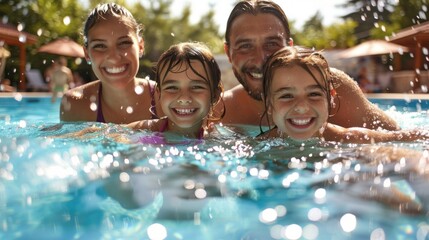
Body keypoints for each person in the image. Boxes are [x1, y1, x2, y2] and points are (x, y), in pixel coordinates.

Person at [217, 0, 399, 131]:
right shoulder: (220, 113)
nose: (260, 59)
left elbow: (400, 139)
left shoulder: (331, 85)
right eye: (245, 46)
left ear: (289, 47)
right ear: (228, 53)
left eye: (271, 44)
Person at [57, 42, 223, 144]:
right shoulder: (148, 130)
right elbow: (103, 134)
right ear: (159, 93)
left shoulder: (218, 140)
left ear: (215, 95)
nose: (184, 98)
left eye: (196, 87)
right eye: (172, 87)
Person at [258, 46, 429, 143]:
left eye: (314, 94)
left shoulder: (348, 138)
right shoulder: (259, 145)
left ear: (330, 98)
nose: (302, 106)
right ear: (269, 104)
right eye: (287, 96)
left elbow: (404, 137)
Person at [60, 3, 160, 123]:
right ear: (87, 54)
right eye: (100, 46)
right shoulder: (75, 104)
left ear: (140, 46)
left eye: (124, 43)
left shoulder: (164, 98)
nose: (114, 57)